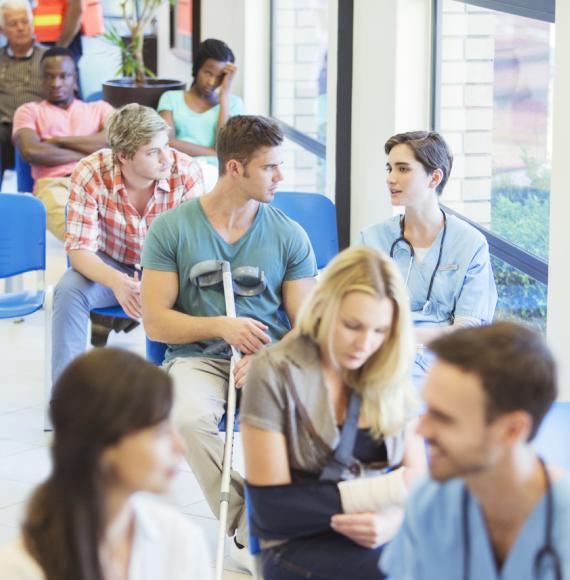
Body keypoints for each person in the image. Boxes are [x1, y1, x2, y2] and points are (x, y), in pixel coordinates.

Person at [141, 115, 317, 570]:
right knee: (188, 416)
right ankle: (251, 522)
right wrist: (221, 326)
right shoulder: (171, 229)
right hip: (198, 358)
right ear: (235, 169)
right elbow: (156, 322)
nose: (281, 177)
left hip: (270, 359)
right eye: (270, 167)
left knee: (308, 419)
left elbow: (310, 326)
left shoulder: (288, 234)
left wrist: (271, 357)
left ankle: (306, 526)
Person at [240, 246, 427, 580]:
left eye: (380, 331)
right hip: (298, 543)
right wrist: (377, 495)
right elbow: (272, 512)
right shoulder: (273, 371)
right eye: (352, 325)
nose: (365, 343)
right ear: (323, 307)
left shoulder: (390, 364)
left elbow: (420, 484)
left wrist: (390, 522)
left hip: (387, 531)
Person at [0, 348, 212, 579]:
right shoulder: (22, 567)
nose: (180, 447)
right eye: (160, 432)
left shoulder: (181, 542)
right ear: (103, 444)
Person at [380, 322, 570, 580]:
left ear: (513, 430)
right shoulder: (429, 501)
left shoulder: (562, 519)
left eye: (444, 418)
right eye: (426, 411)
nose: (420, 431)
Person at [51, 103, 204, 385]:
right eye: (153, 152)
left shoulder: (186, 172)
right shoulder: (89, 172)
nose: (166, 159)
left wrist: (153, 286)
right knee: (68, 290)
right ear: (123, 156)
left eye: (166, 145)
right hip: (111, 264)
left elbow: (193, 250)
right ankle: (66, 401)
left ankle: (169, 391)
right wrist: (118, 282)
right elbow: (79, 249)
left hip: (168, 269)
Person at [361, 131, 497, 387]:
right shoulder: (372, 239)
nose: (391, 179)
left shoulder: (470, 244)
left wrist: (401, 334)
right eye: (389, 168)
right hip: (382, 358)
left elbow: (468, 331)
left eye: (403, 169)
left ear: (434, 177)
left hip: (446, 361)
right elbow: (357, 311)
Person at [13, 46, 114, 240]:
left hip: (102, 182)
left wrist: (58, 140)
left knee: (127, 230)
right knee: (79, 235)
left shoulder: (100, 108)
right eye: (49, 77)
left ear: (75, 79)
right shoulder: (28, 111)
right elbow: (32, 151)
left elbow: (112, 141)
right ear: (40, 80)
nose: (55, 83)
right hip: (53, 185)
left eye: (63, 76)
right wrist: (94, 153)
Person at [157, 38, 244, 166]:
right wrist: (214, 153)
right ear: (197, 68)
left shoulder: (234, 104)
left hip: (219, 176)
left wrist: (224, 95)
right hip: (180, 171)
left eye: (219, 77)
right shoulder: (170, 99)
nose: (212, 82)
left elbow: (225, 147)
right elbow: (165, 141)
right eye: (208, 73)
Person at [0, 0, 45, 186]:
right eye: (13, 24)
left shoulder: (50, 58)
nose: (20, 28)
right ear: (2, 30)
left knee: (26, 140)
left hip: (39, 128)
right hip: (4, 127)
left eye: (25, 21)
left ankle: (30, 202)